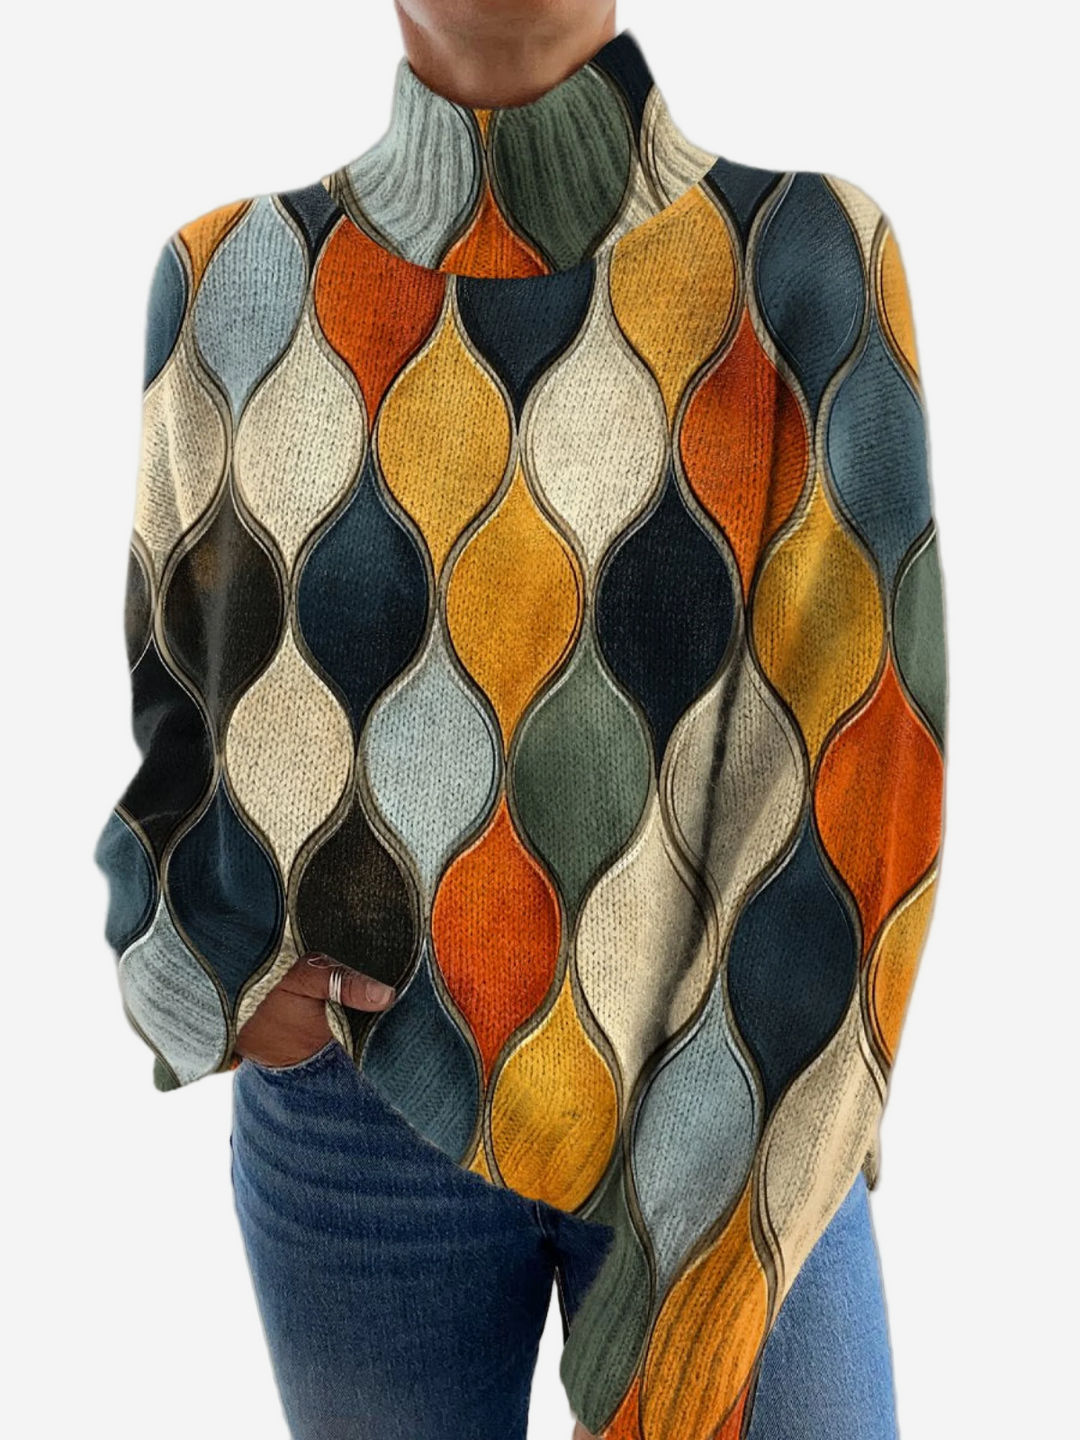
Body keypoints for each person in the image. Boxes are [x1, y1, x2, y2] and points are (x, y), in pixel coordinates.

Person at [94, 2, 947, 1437]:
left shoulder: (802, 260)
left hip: (744, 1089)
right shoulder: (227, 281)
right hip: (358, 1133)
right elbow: (180, 726)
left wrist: (699, 1272)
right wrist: (204, 974)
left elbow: (870, 783)